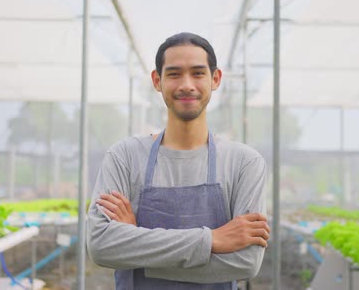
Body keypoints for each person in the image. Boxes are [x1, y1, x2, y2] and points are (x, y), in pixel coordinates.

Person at [87, 32, 269, 290]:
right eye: (174, 74)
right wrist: (212, 240)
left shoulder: (244, 163)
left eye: (197, 73)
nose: (186, 84)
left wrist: (136, 246)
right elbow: (100, 245)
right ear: (157, 80)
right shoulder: (125, 157)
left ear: (215, 79)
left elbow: (245, 263)